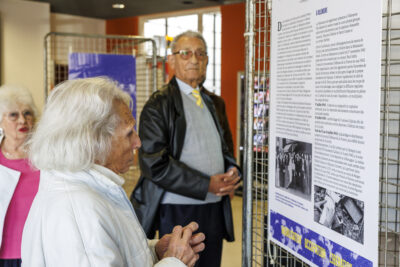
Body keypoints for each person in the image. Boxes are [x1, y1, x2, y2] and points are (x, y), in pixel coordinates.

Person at [21, 77, 205, 267]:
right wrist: (175, 262)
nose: (138, 142)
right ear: (92, 142)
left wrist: (153, 251)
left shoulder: (83, 193)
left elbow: (109, 252)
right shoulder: (80, 212)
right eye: (129, 133)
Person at [130, 31, 240, 267]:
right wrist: (206, 184)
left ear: (207, 60)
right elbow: (153, 164)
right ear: (171, 60)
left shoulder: (215, 102)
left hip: (215, 206)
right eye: (186, 53)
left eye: (200, 54)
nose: (194, 59)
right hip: (177, 209)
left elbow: (226, 150)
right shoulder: (159, 104)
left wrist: (232, 172)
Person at [0, 85, 40, 267]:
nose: (22, 120)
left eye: (27, 113)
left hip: (36, 252)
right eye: (13, 115)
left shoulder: (45, 159)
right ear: (1, 120)